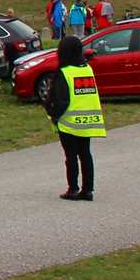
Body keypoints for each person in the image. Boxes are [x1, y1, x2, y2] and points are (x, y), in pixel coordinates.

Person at [41, 35, 104, 201]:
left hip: (68, 121)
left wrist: (53, 114)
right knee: (85, 154)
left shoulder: (64, 72)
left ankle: (73, 188)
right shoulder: (87, 69)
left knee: (71, 156)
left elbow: (62, 100)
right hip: (87, 120)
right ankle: (88, 190)